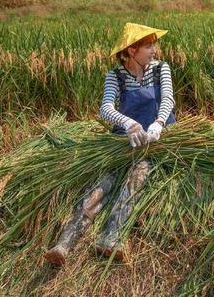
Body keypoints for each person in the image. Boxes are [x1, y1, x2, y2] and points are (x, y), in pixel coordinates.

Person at [44, 23, 175, 266]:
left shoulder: (160, 69)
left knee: (138, 176)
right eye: (148, 46)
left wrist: (158, 123)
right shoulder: (115, 76)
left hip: (154, 139)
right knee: (103, 182)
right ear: (132, 50)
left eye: (153, 45)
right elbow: (105, 108)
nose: (154, 50)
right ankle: (64, 243)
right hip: (124, 140)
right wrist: (128, 123)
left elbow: (168, 98)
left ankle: (111, 237)